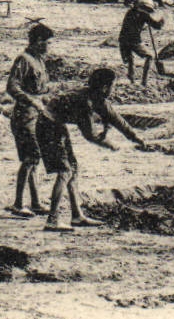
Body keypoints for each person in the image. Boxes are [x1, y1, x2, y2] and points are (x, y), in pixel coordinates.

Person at [35, 68, 147, 232]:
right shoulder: (85, 101)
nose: (113, 89)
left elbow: (117, 119)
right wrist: (110, 145)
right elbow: (90, 135)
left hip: (56, 125)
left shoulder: (98, 98)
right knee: (65, 171)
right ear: (104, 87)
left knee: (73, 168)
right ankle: (52, 220)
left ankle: (76, 216)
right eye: (112, 86)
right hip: (48, 126)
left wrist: (136, 138)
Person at [5, 21, 54, 218]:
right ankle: (18, 203)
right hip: (24, 116)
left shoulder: (39, 60)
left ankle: (35, 202)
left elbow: (43, 88)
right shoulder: (24, 60)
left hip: (37, 116)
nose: (49, 47)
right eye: (47, 43)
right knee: (30, 157)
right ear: (38, 42)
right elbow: (12, 87)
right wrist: (32, 100)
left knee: (35, 159)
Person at [118, 0, 165, 84]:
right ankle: (144, 81)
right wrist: (161, 19)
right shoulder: (144, 15)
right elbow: (156, 26)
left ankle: (131, 78)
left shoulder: (130, 12)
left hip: (122, 39)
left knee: (130, 59)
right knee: (149, 56)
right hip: (134, 40)